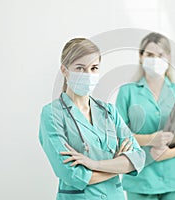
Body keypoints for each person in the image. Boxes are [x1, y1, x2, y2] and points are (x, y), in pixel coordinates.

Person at [39, 38, 145, 200]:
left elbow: (138, 158)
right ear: (64, 70)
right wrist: (118, 164)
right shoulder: (52, 114)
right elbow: (70, 173)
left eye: (94, 68)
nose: (88, 74)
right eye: (80, 68)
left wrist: (94, 164)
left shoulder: (109, 111)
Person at [116, 32, 175, 200]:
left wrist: (170, 153)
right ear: (141, 57)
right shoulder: (127, 92)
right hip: (140, 180)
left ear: (168, 58)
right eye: (149, 54)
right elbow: (119, 135)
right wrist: (150, 139)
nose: (155, 59)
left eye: (160, 55)